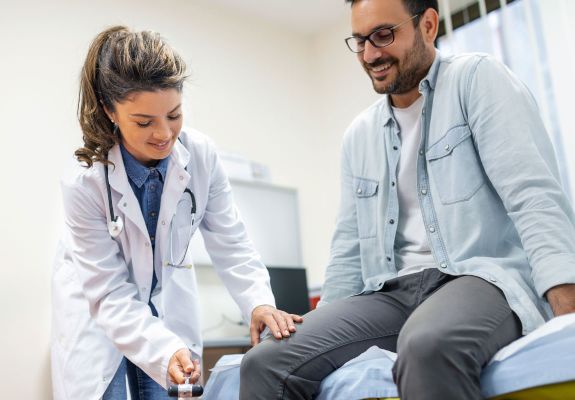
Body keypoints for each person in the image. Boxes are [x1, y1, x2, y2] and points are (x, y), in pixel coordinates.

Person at [239, 0, 575, 399]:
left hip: (479, 277)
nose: (369, 54)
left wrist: (565, 307)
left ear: (428, 25)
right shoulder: (360, 135)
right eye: (360, 40)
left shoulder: (478, 80)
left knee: (426, 344)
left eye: (383, 35)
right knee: (265, 361)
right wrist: (323, 326)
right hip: (391, 291)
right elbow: (348, 246)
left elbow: (532, 194)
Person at [51, 26, 302, 400]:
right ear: (109, 110)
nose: (164, 133)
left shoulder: (200, 156)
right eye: (144, 122)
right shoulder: (86, 183)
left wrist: (259, 301)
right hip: (99, 319)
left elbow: (230, 240)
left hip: (167, 309)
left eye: (174, 114)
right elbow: (109, 293)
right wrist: (163, 349)